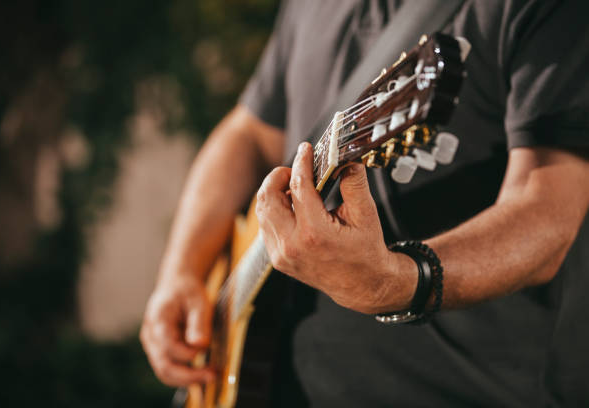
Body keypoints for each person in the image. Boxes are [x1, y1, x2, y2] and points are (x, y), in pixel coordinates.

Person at [141, 0, 589, 406]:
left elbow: (545, 210)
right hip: (271, 383)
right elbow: (250, 131)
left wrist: (397, 282)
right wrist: (180, 270)